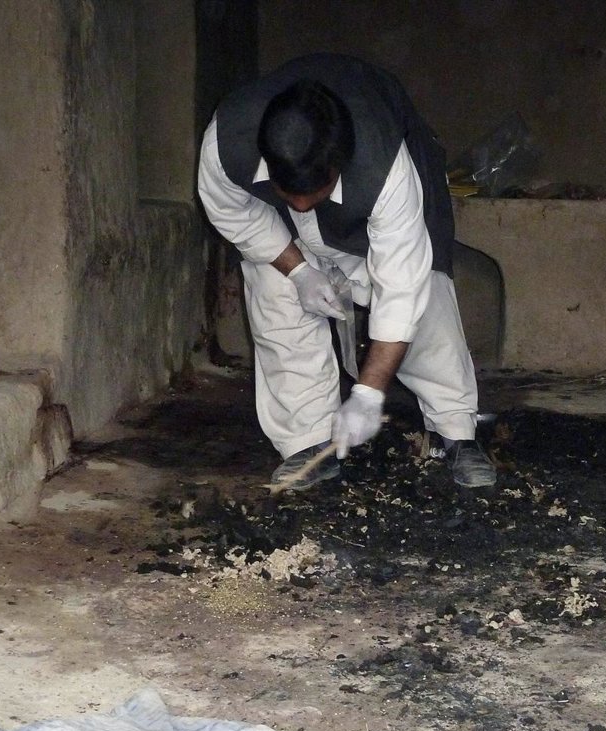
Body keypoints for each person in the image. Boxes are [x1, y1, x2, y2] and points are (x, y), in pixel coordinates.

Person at [198, 53, 496, 491]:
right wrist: (298, 270)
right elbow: (233, 213)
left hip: (376, 208)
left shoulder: (386, 167)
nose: (303, 207)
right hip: (278, 227)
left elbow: (401, 287)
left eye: (314, 194)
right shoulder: (226, 142)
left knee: (424, 296)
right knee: (273, 289)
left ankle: (456, 432)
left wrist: (369, 393)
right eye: (291, 193)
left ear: (339, 165)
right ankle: (306, 443)